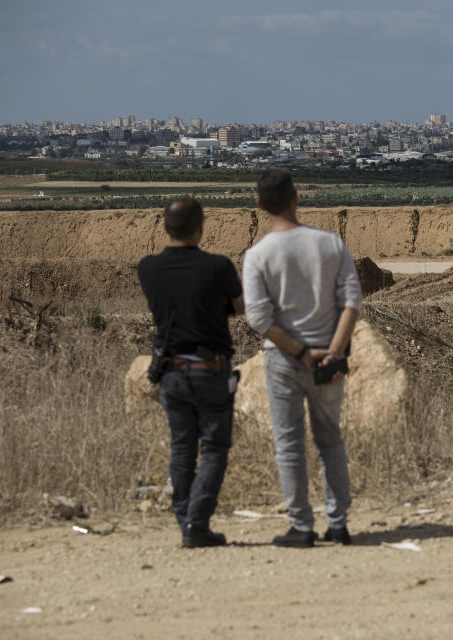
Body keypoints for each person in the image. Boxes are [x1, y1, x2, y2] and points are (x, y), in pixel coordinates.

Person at [243, 169, 361, 548]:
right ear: (296, 198)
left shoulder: (257, 254)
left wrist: (301, 352)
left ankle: (301, 526)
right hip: (328, 360)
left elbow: (259, 318)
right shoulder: (330, 244)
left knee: (289, 443)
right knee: (331, 441)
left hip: (284, 360)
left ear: (259, 205)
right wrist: (333, 351)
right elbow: (351, 301)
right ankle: (339, 522)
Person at [137, 197, 243, 548]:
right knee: (214, 448)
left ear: (165, 227)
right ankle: (196, 522)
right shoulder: (218, 267)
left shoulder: (147, 268)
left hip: (170, 371)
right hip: (210, 371)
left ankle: (186, 521)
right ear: (201, 227)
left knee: (181, 450)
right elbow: (239, 309)